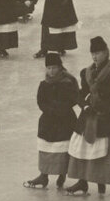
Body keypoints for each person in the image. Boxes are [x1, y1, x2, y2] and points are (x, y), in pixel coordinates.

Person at [65, 36, 110, 196]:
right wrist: (85, 105)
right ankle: (82, 182)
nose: (95, 56)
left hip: (106, 117)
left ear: (106, 53)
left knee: (102, 150)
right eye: (93, 53)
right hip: (88, 116)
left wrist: (101, 105)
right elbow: (81, 94)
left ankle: (101, 182)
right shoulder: (86, 73)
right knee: (83, 149)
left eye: (98, 53)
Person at [24, 52, 79, 189]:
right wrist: (50, 110)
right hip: (48, 121)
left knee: (63, 149)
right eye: (48, 68)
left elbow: (74, 98)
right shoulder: (44, 84)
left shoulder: (68, 82)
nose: (51, 71)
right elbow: (40, 101)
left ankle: (62, 174)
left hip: (65, 120)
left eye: (54, 67)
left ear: (60, 67)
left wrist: (62, 108)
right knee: (46, 148)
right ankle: (44, 175)